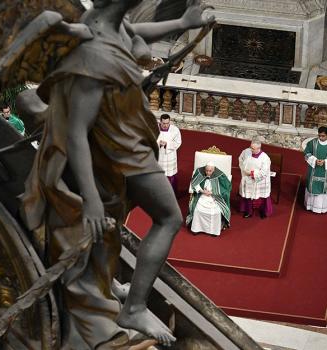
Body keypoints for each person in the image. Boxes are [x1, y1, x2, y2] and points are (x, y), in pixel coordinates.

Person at [20, 1, 213, 347]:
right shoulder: (93, 55)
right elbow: (77, 132)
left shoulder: (103, 22)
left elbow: (134, 32)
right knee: (168, 218)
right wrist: (91, 199)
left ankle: (107, 281)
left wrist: (183, 22)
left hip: (126, 137)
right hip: (120, 150)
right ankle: (134, 307)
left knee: (117, 214)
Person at [186, 162, 231, 236]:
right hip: (202, 195)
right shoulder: (200, 172)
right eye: (206, 170)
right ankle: (196, 228)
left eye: (210, 171)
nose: (207, 172)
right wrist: (202, 191)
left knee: (215, 212)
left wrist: (213, 192)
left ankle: (213, 231)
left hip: (214, 197)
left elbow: (226, 188)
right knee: (197, 209)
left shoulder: (220, 175)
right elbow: (194, 183)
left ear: (213, 170)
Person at [304, 126, 327, 214]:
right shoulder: (312, 143)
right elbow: (306, 153)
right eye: (319, 136)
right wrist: (315, 160)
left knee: (323, 189)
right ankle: (311, 206)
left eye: (323, 136)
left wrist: (325, 162)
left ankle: (322, 208)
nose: (321, 138)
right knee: (312, 186)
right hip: (314, 169)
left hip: (326, 171)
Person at [238, 140, 273, 218]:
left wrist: (252, 173)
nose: (251, 150)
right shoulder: (246, 151)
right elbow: (240, 159)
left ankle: (264, 212)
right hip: (247, 178)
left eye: (253, 149)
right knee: (247, 195)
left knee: (263, 196)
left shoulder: (265, 158)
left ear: (259, 148)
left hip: (259, 181)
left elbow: (264, 172)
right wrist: (244, 169)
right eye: (251, 147)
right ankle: (248, 211)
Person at [157, 114, 182, 193]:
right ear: (160, 122)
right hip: (159, 155)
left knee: (170, 174)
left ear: (169, 121)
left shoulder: (175, 130)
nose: (165, 125)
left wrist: (167, 144)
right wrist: (158, 143)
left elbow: (178, 142)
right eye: (163, 123)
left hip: (170, 155)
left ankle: (171, 193)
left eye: (167, 123)